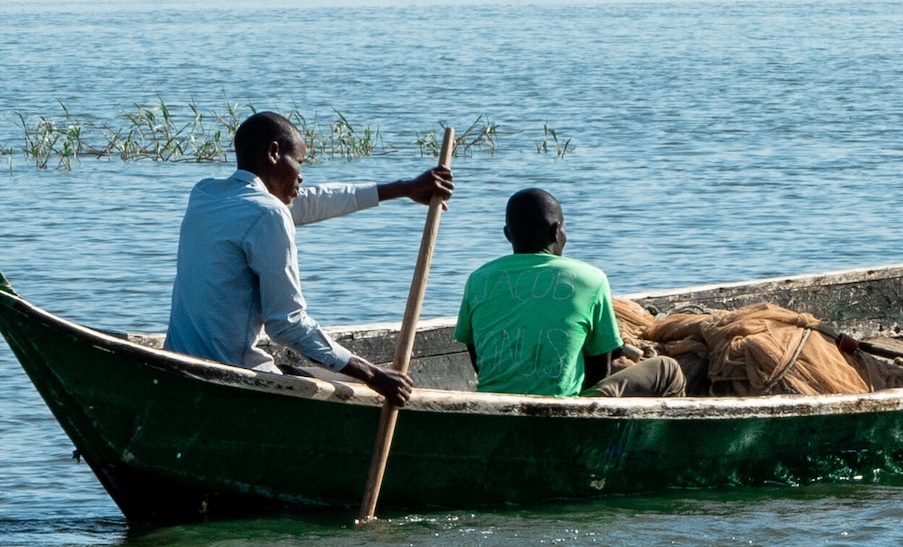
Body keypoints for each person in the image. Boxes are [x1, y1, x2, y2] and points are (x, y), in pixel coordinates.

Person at [165, 111, 454, 396]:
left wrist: (404, 189)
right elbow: (287, 324)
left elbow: (310, 202)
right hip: (232, 376)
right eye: (300, 163)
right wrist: (372, 374)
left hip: (177, 363)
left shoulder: (205, 194)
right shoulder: (268, 213)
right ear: (274, 153)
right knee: (353, 387)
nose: (301, 177)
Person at [455, 187, 682, 398]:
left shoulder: (478, 279)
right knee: (667, 368)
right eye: (564, 228)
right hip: (566, 409)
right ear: (556, 231)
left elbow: (476, 354)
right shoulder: (591, 279)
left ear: (507, 235)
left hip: (494, 402)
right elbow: (600, 368)